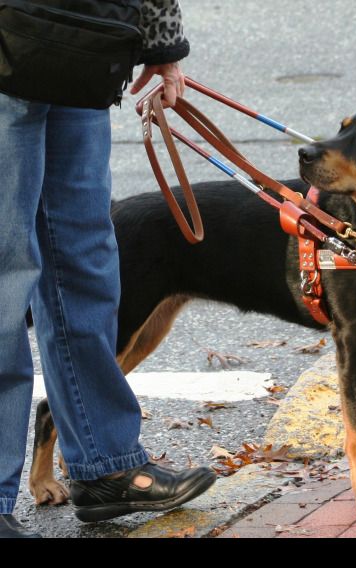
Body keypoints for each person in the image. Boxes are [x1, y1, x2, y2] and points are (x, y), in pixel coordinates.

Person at [0, 0, 215, 539]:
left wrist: (163, 44)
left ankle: (105, 467)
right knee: (6, 270)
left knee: (85, 265)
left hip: (88, 47)